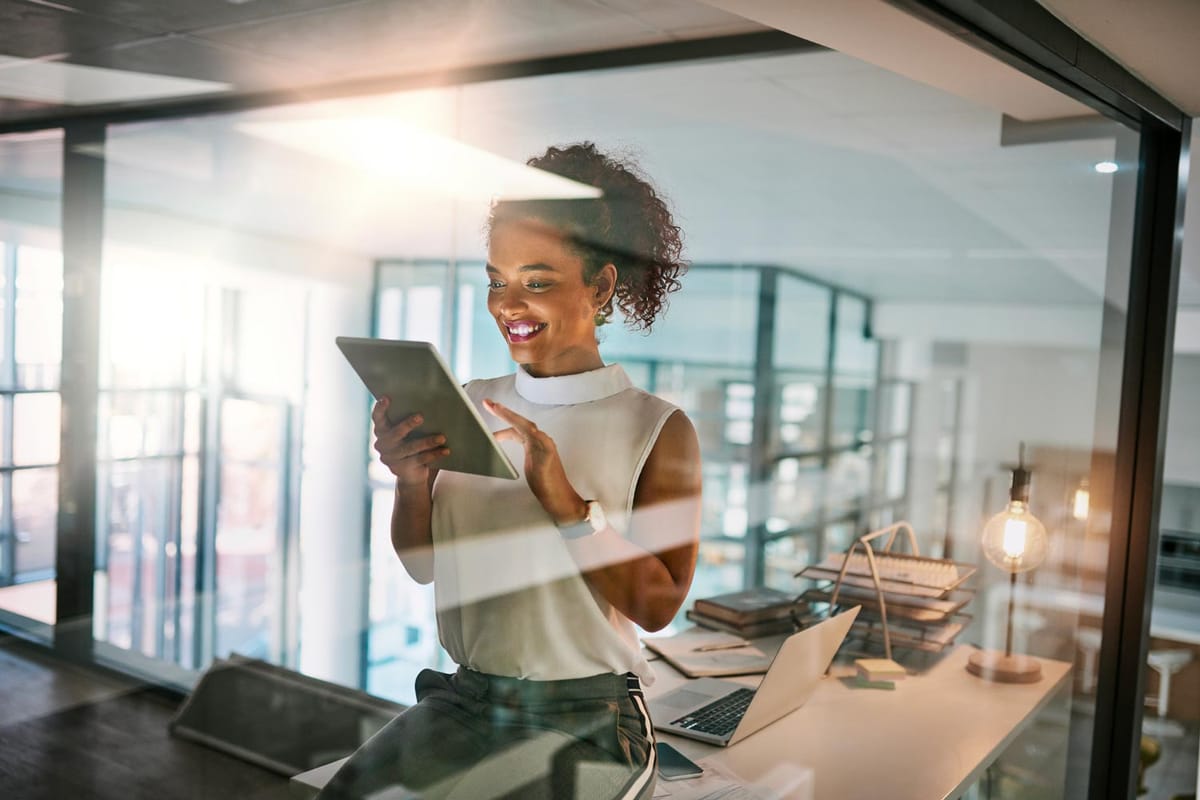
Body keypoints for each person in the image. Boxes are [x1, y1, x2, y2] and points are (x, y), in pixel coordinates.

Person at [319, 142, 702, 800]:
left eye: (538, 280)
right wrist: (410, 484)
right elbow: (423, 563)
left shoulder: (657, 429)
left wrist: (570, 513)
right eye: (497, 279)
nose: (507, 303)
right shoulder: (466, 400)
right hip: (465, 703)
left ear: (601, 286)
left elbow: (659, 606)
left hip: (588, 720)